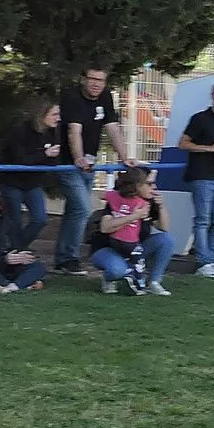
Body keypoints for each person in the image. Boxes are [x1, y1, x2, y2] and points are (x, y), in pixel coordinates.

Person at [55, 65, 137, 275]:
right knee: (82, 208)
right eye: (92, 79)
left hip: (89, 164)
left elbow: (112, 127)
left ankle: (63, 259)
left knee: (74, 211)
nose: (96, 84)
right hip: (68, 162)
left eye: (100, 80)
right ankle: (68, 258)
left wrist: (124, 156)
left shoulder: (105, 97)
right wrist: (78, 157)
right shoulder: (71, 97)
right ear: (83, 79)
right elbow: (74, 130)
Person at [177, 80, 214, 278]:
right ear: (212, 96)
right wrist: (210, 148)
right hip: (201, 176)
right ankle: (205, 262)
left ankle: (209, 260)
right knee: (203, 220)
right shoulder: (199, 119)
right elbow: (183, 144)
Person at [92, 166, 174, 296]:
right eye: (149, 184)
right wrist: (134, 216)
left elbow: (164, 227)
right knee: (116, 270)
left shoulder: (147, 202)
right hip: (107, 248)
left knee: (166, 240)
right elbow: (105, 227)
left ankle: (153, 282)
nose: (154, 187)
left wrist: (161, 206)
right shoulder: (118, 199)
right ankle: (110, 278)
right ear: (137, 185)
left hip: (134, 248)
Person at [0, 98, 63, 250]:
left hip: (32, 182)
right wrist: (45, 154)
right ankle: (14, 253)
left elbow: (52, 161)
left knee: (40, 219)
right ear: (42, 115)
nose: (58, 118)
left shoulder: (52, 132)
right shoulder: (21, 130)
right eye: (54, 114)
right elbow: (20, 159)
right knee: (15, 220)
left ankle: (16, 249)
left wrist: (51, 156)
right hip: (12, 181)